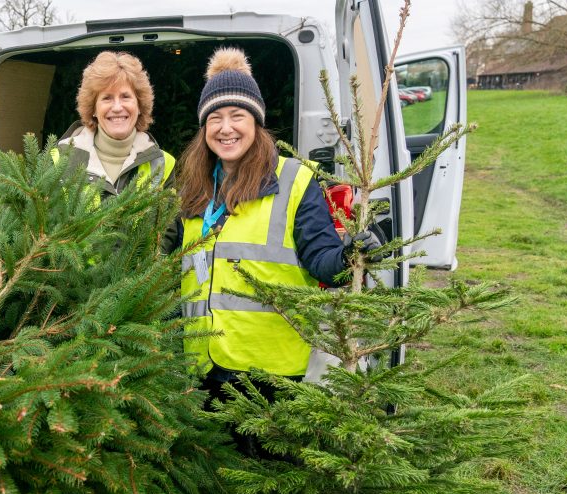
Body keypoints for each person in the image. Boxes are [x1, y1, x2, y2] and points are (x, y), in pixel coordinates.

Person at [165, 47, 381, 394]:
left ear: (256, 121)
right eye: (214, 118)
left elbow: (321, 260)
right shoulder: (194, 187)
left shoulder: (294, 180)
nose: (226, 128)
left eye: (237, 115)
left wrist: (347, 256)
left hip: (268, 376)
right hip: (201, 367)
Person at [55, 51, 175, 198]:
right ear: (93, 108)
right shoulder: (59, 160)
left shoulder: (163, 164)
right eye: (107, 98)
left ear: (139, 106)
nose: (117, 107)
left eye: (125, 97)